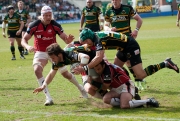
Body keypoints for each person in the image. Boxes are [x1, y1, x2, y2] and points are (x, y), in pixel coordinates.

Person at [21, 5, 84, 106]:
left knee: (65, 74)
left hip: (53, 52)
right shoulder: (34, 25)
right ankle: (48, 98)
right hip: (40, 51)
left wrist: (67, 40)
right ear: (41, 16)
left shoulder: (55, 25)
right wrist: (28, 47)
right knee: (37, 70)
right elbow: (24, 39)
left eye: (50, 15)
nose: (48, 17)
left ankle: (80, 88)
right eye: (46, 15)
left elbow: (64, 38)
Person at [74, 29, 179, 87]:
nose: (86, 45)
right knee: (115, 69)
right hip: (123, 48)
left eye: (85, 43)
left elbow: (98, 57)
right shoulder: (94, 36)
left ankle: (165, 63)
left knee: (140, 74)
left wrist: (84, 68)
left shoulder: (98, 40)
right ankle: (130, 86)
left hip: (130, 46)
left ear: (88, 39)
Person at [104, 0, 144, 89]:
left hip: (127, 41)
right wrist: (109, 29)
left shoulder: (127, 8)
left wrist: (136, 30)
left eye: (116, 0)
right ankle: (133, 82)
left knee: (124, 64)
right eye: (113, 0)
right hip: (118, 42)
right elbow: (105, 25)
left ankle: (136, 82)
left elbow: (139, 19)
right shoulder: (108, 11)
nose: (114, 1)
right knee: (124, 64)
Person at [93, 60, 159, 108]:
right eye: (96, 70)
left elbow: (105, 87)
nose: (98, 71)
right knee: (106, 99)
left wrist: (92, 82)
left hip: (126, 86)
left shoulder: (108, 71)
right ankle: (131, 103)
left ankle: (148, 101)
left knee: (124, 106)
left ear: (103, 65)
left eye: (99, 69)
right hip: (116, 88)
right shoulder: (105, 66)